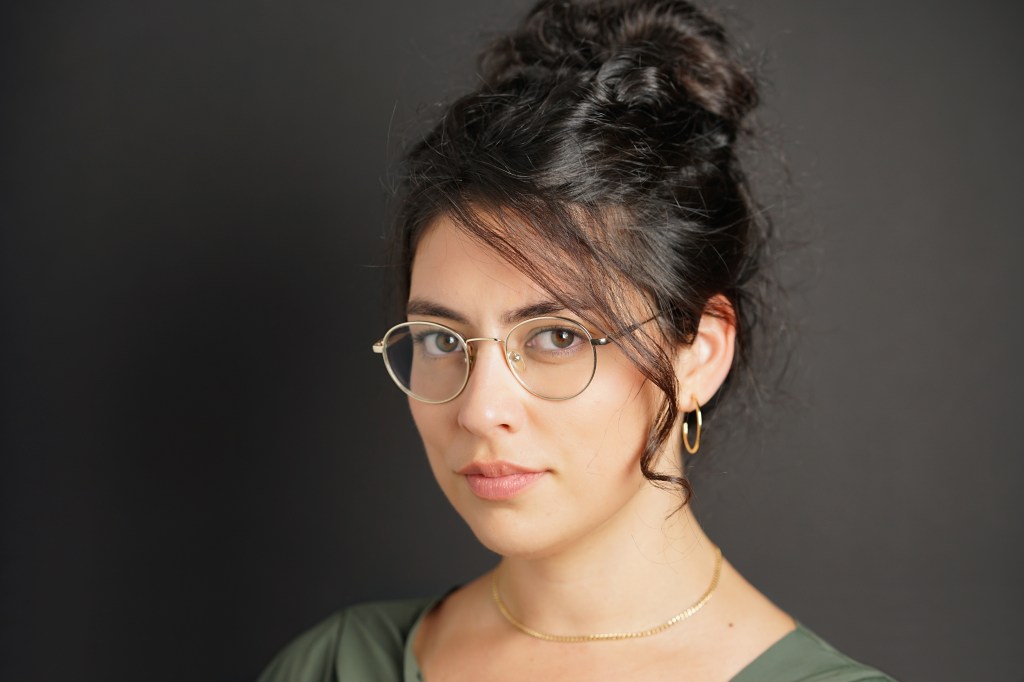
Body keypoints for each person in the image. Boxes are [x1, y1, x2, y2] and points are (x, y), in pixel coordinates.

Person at [260, 0, 896, 679]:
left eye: (557, 335)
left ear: (699, 354)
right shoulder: (334, 666)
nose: (478, 410)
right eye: (443, 340)